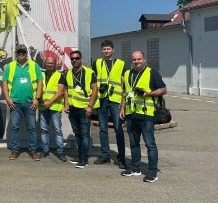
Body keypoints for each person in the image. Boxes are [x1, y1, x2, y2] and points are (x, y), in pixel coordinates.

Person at [120, 50, 167, 183]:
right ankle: (135, 168)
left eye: (139, 59)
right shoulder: (127, 74)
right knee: (133, 143)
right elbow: (125, 92)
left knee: (150, 144)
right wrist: (122, 108)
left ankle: (152, 171)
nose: (137, 61)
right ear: (131, 61)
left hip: (147, 115)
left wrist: (148, 94)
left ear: (144, 60)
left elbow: (164, 89)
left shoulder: (152, 73)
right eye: (134, 59)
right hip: (131, 114)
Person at [2, 44, 43, 161]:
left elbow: (40, 82)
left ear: (26, 53)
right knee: (14, 127)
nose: (21, 54)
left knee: (31, 128)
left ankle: (33, 151)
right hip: (15, 103)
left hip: (30, 103)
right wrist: (8, 98)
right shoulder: (10, 66)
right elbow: (4, 83)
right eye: (19, 52)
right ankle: (14, 150)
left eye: (23, 52)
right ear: (16, 53)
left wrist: (37, 99)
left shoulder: (34, 65)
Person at [93, 40, 127, 169]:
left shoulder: (120, 63)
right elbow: (93, 81)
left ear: (113, 50)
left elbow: (124, 85)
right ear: (101, 50)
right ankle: (105, 155)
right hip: (102, 99)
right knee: (103, 129)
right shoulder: (97, 63)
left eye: (108, 49)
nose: (106, 51)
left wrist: (123, 105)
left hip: (115, 100)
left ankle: (121, 157)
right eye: (104, 49)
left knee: (118, 129)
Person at [64, 50, 98, 169]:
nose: (74, 60)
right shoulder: (68, 73)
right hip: (72, 108)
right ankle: (80, 156)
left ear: (81, 59)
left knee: (84, 134)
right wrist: (66, 104)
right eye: (72, 59)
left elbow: (95, 90)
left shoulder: (89, 72)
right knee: (77, 134)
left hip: (84, 109)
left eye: (77, 58)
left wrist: (90, 106)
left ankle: (84, 159)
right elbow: (65, 90)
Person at [38, 56, 67, 161]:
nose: (49, 65)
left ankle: (60, 152)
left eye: (52, 63)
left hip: (55, 107)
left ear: (56, 65)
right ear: (44, 63)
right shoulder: (40, 75)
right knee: (43, 130)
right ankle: (45, 150)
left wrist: (49, 102)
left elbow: (61, 91)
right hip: (43, 107)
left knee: (57, 130)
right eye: (48, 63)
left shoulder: (60, 75)